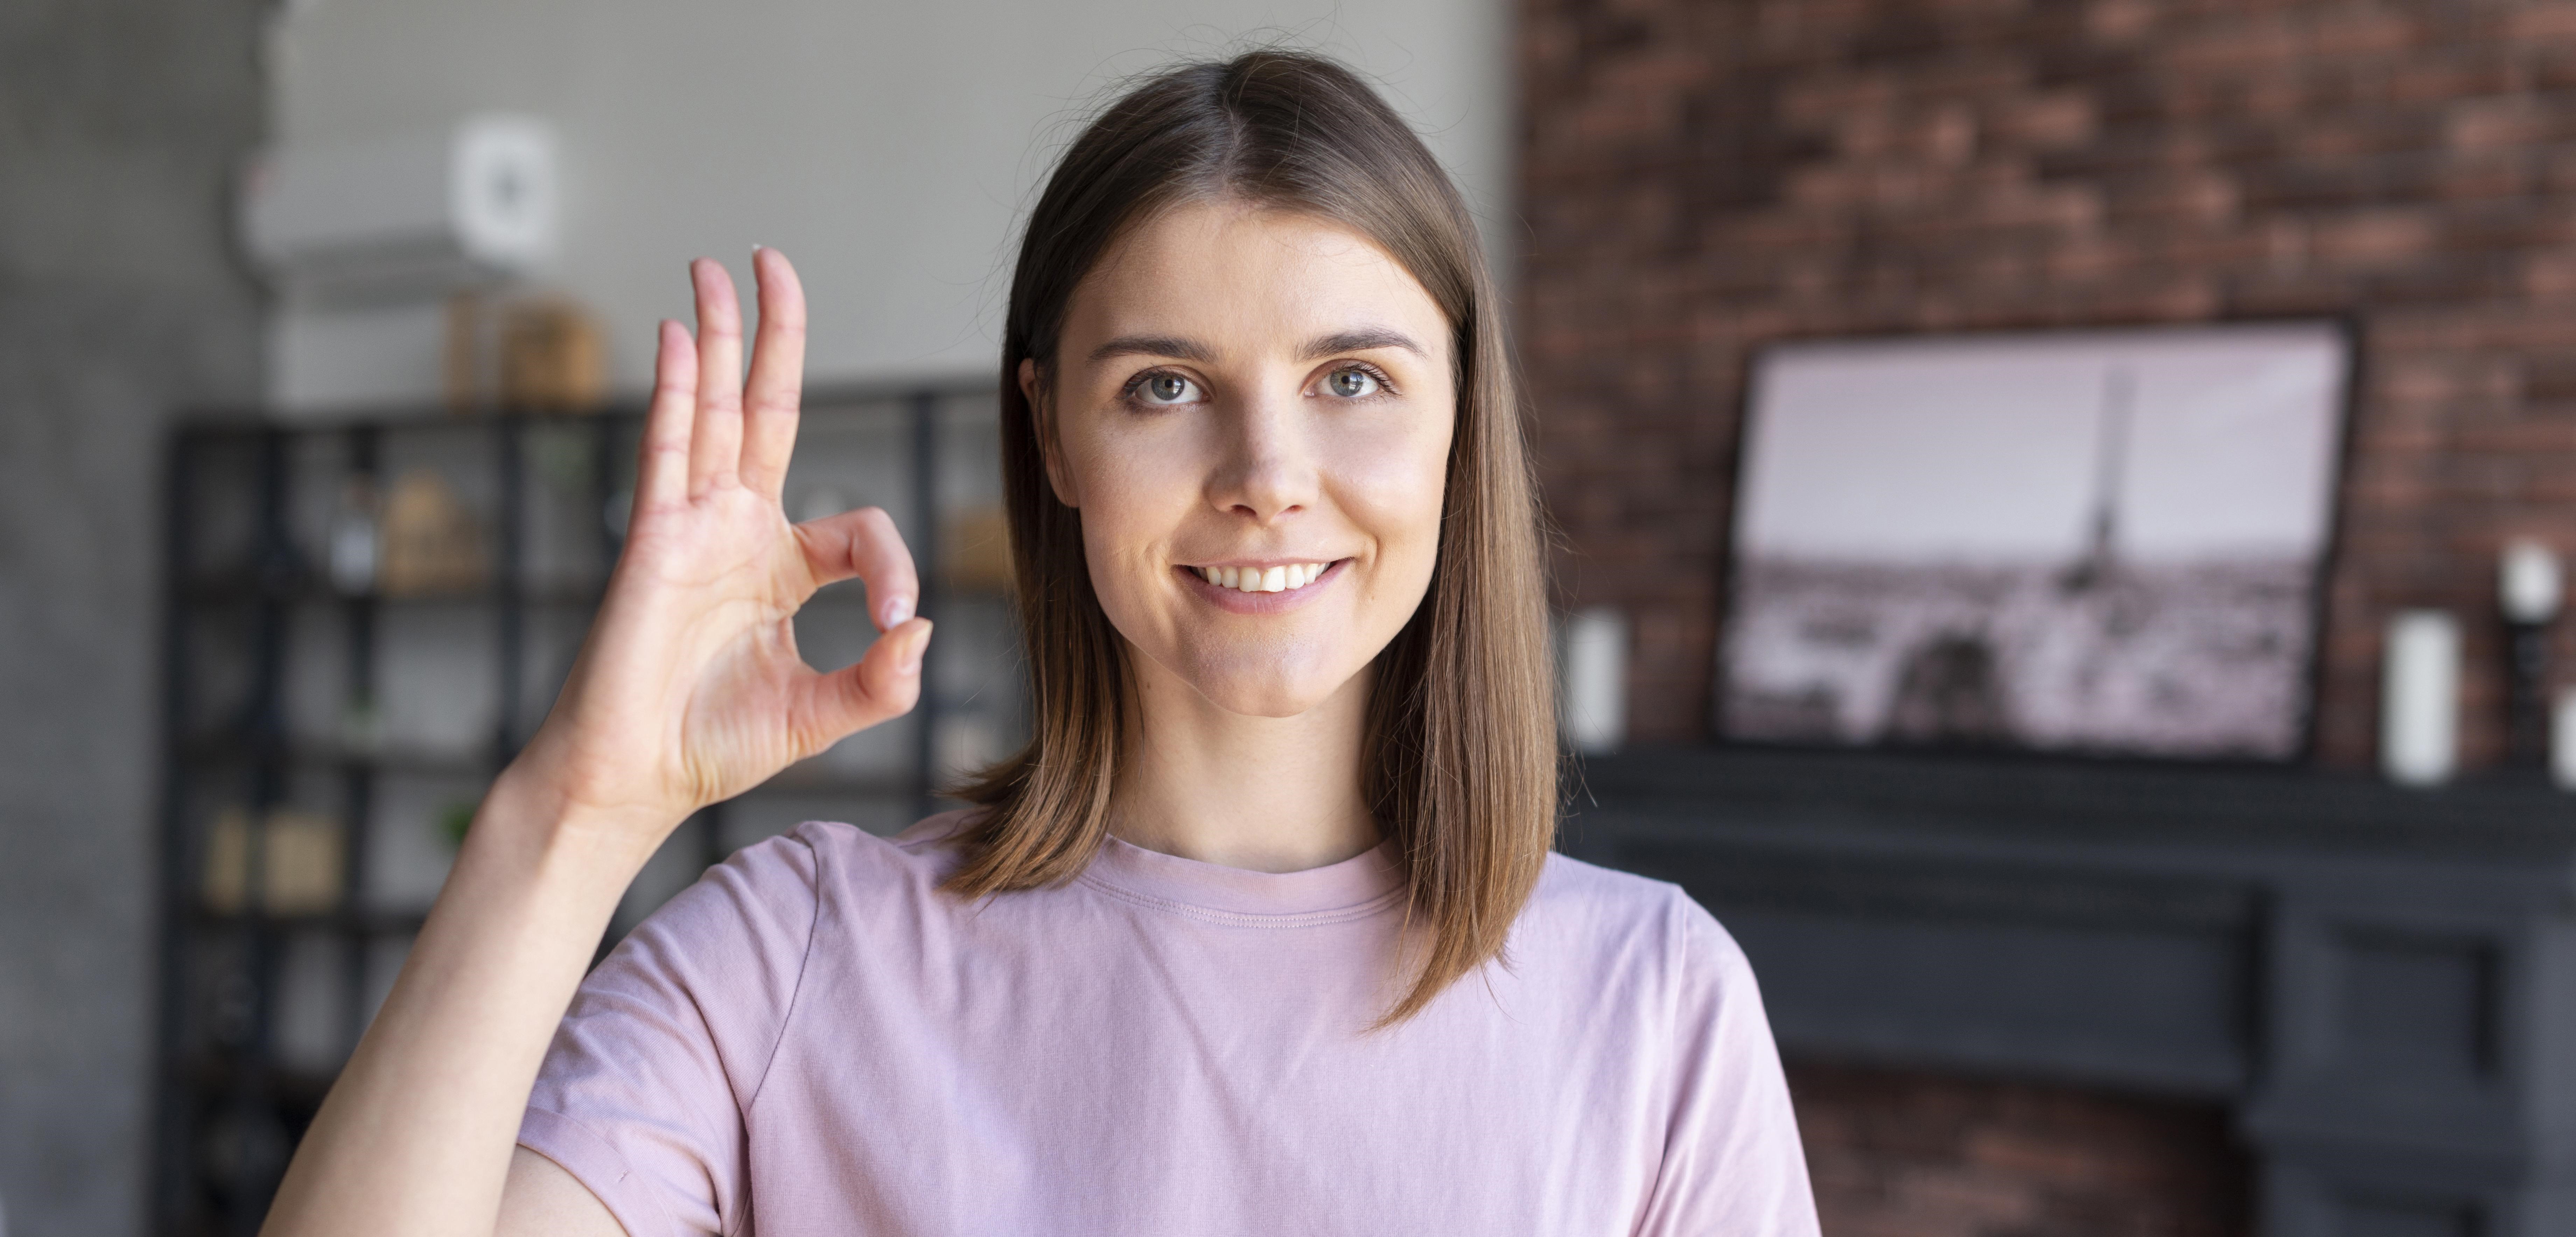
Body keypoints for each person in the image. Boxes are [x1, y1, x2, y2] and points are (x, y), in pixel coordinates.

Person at [260, 51, 1819, 1236]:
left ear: (1461, 425)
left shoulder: (1654, 1002)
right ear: (1053, 436)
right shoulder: (795, 955)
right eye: (1162, 383)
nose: (1268, 470)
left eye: (1354, 377)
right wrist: (576, 808)